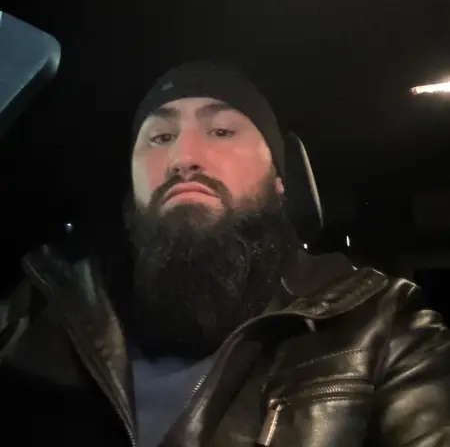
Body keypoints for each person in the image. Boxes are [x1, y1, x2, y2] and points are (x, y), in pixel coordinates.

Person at [1, 60, 449, 447]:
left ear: (279, 180)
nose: (183, 157)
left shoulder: (381, 325)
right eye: (159, 137)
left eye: (220, 131)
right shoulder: (41, 311)